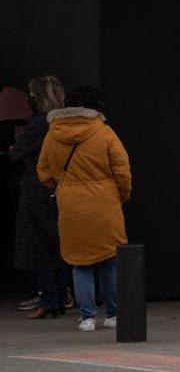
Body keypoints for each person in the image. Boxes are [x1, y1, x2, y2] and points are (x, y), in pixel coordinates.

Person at [36, 86, 131, 332]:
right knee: (110, 260)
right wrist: (120, 195)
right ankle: (112, 314)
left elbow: (43, 172)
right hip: (105, 203)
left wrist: (62, 187)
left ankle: (87, 317)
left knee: (79, 262)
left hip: (70, 205)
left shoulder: (53, 134)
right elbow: (122, 170)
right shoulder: (104, 132)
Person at [8, 76, 72, 319]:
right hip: (59, 186)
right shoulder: (64, 121)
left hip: (36, 186)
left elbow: (17, 153)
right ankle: (60, 294)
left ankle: (48, 298)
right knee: (57, 241)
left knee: (37, 244)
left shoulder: (38, 124)